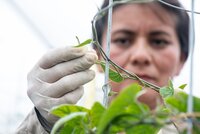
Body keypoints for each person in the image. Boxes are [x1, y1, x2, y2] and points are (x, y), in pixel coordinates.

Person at [16, 0, 189, 133]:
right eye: (123, 40)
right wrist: (42, 125)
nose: (140, 55)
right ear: (98, 56)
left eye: (159, 41)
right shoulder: (82, 127)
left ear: (181, 59)